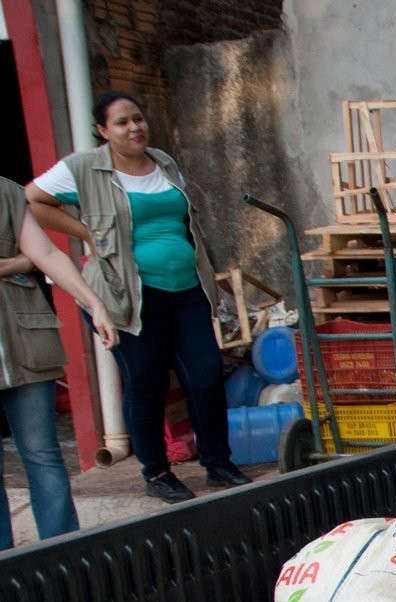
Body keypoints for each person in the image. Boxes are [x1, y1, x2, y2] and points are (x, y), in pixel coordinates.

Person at [26, 90, 250, 503]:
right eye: (122, 122)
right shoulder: (85, 168)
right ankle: (157, 472)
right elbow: (33, 200)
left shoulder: (163, 162)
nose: (134, 128)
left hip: (187, 289)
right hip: (127, 295)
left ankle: (218, 463)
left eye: (138, 118)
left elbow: (187, 225)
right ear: (102, 131)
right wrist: (88, 233)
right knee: (145, 381)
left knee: (204, 376)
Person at [0, 176, 118, 549]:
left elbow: (47, 254)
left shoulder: (5, 191)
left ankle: (62, 558)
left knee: (42, 455)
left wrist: (93, 302)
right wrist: (18, 262)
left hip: (26, 341)